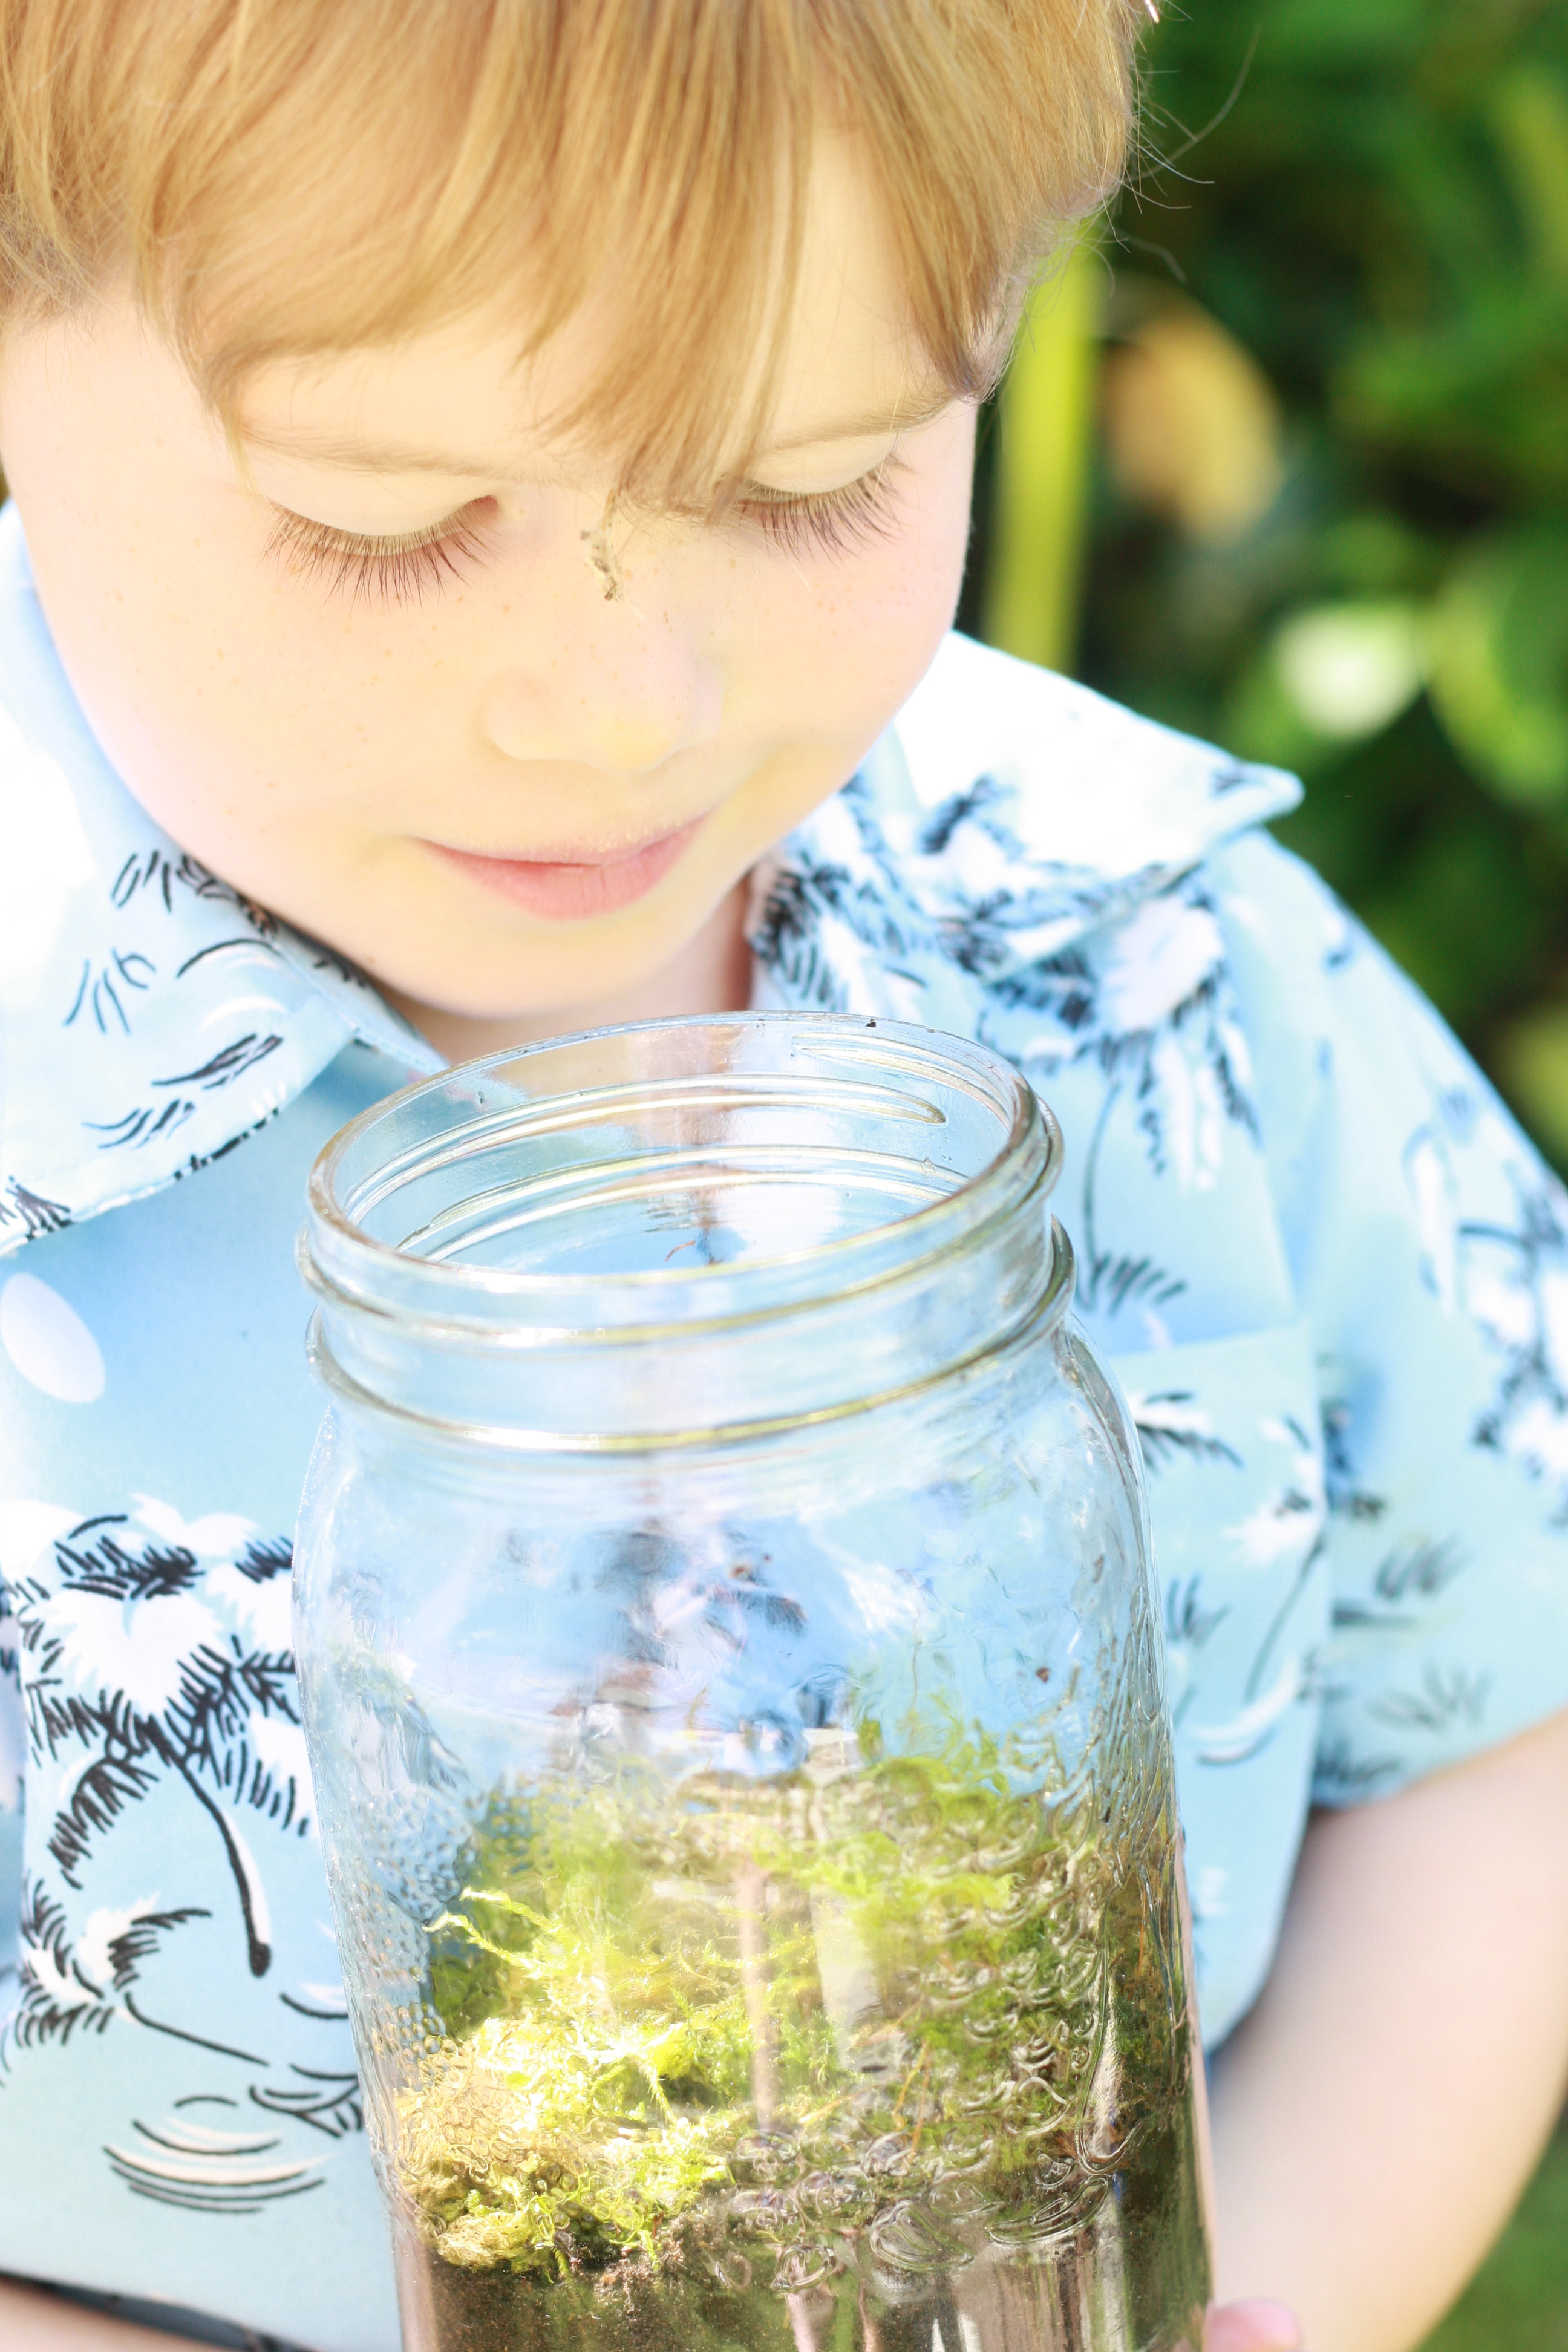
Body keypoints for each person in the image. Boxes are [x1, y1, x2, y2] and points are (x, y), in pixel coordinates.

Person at [0, 4, 1564, 2350]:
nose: (622, 707)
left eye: (815, 476)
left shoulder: (1141, 954)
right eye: (387, 519)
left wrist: (1297, 2291)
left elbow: (1506, 1702)